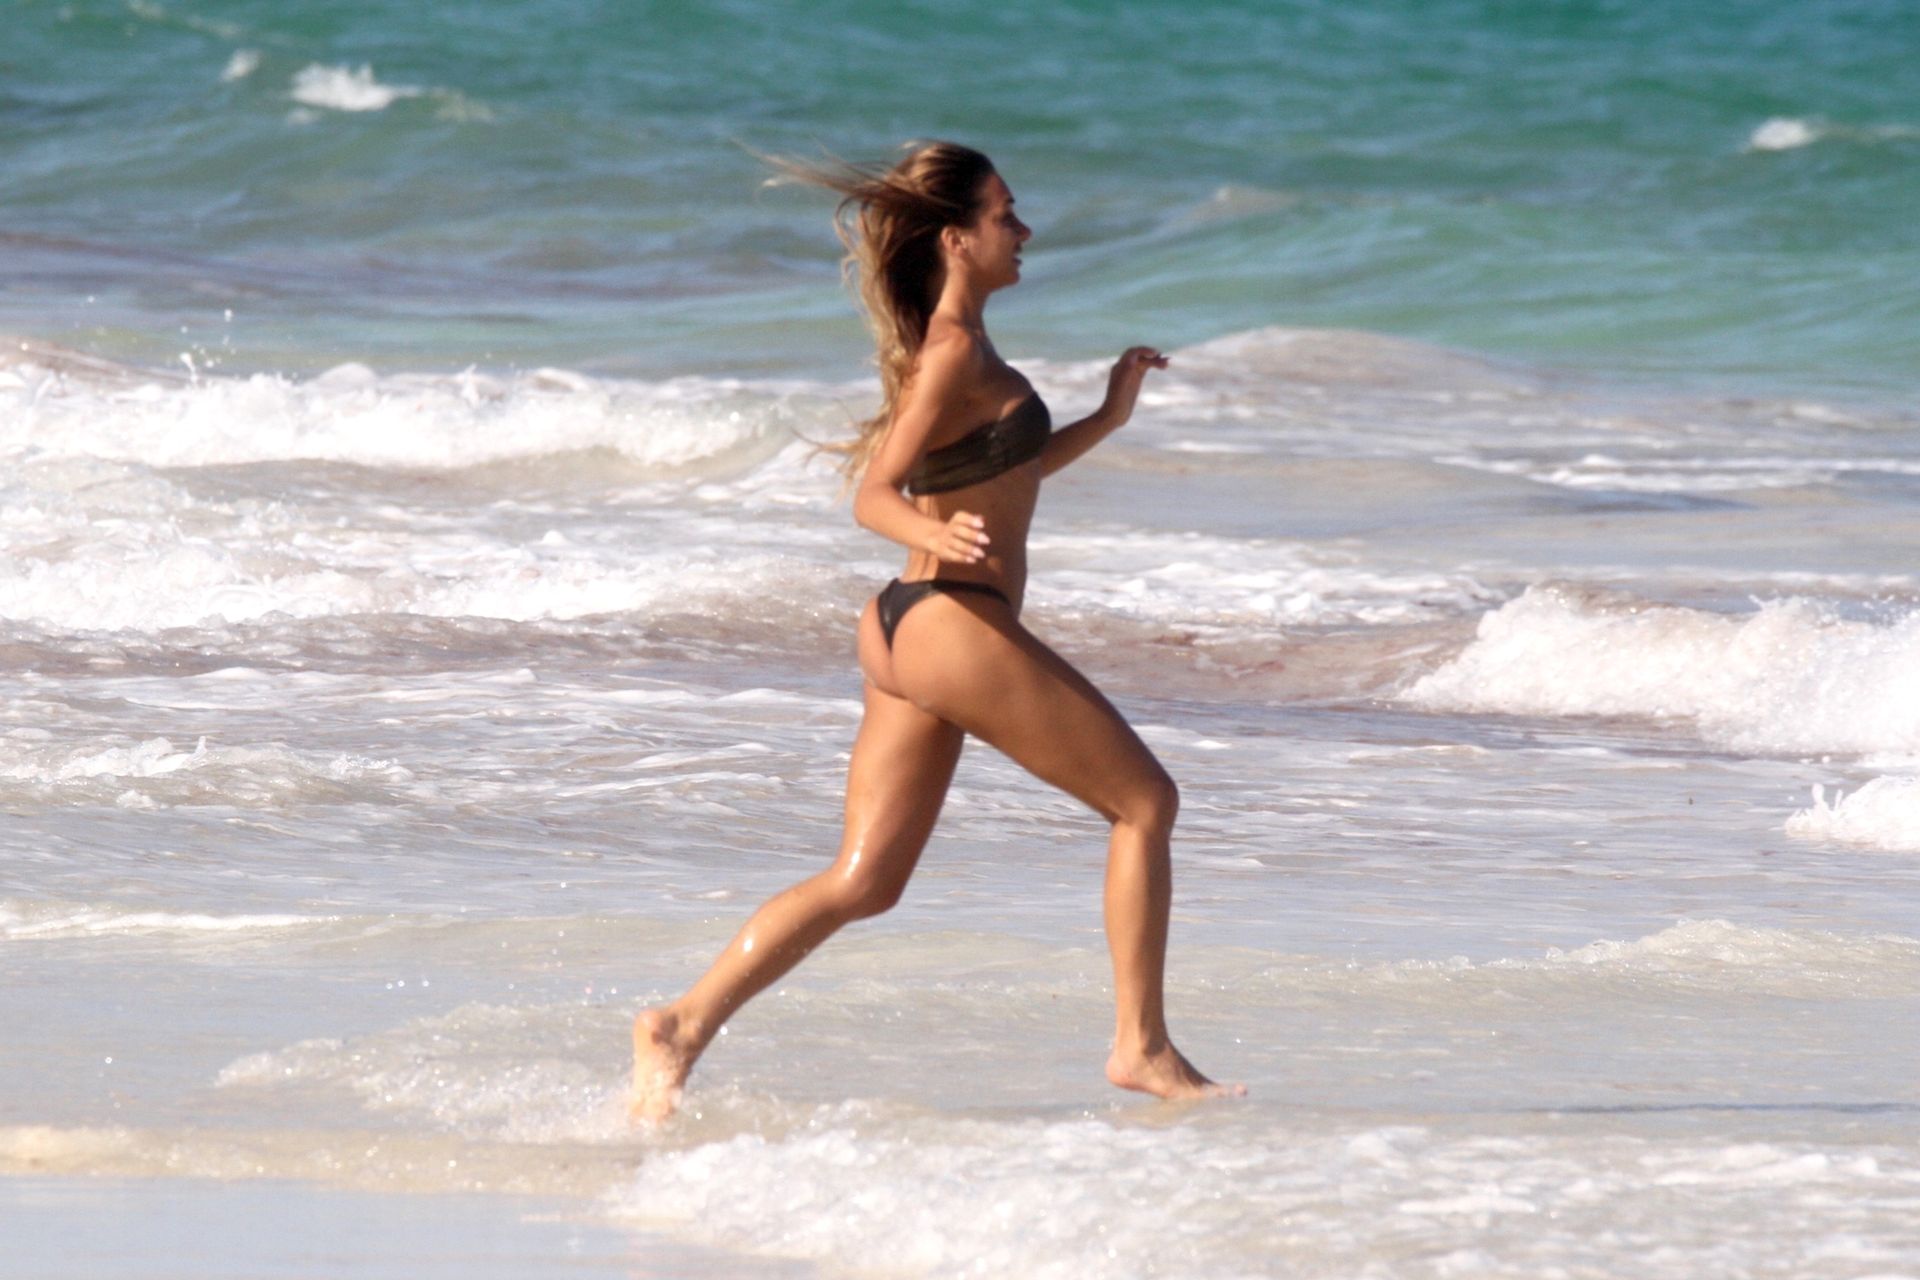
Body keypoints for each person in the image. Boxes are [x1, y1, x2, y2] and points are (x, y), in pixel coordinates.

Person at [631, 141, 1240, 1121]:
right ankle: (1142, 1045)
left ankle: (679, 1024)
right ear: (958, 238)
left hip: (910, 627)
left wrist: (1106, 417)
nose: (1025, 228)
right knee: (1146, 803)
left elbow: (1003, 472)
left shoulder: (968, 346)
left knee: (865, 880)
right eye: (1007, 212)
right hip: (949, 617)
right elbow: (878, 492)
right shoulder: (954, 349)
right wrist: (929, 526)